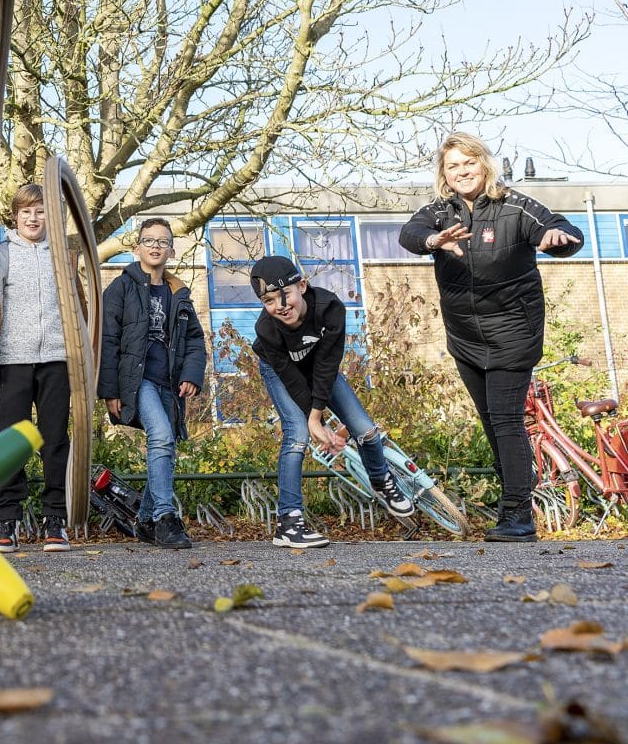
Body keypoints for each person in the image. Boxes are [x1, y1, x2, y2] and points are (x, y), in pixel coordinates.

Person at [400, 132, 583, 541]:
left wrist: (558, 241)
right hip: (464, 335)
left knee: (505, 420)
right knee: (492, 423)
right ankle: (514, 503)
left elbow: (562, 229)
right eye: (453, 166)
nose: (462, 172)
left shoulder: (514, 206)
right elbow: (409, 235)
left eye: (469, 163)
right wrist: (435, 240)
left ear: (484, 164)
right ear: (444, 174)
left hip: (513, 332)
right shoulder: (438, 211)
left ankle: (518, 516)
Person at [249, 257, 415, 549]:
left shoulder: (329, 308)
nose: (280, 305)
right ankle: (288, 522)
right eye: (268, 300)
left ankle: (381, 481)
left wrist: (319, 415)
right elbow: (292, 380)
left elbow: (327, 366)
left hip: (320, 367)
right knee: (297, 435)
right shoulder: (267, 329)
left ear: (302, 285)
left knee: (365, 429)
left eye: (284, 294)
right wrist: (316, 422)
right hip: (280, 372)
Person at [0, 184, 73, 552]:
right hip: (13, 359)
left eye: (41, 211)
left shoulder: (62, 255)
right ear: (15, 216)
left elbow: (78, 306)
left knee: (55, 441)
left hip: (56, 358)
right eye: (26, 211)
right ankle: (8, 519)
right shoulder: (1, 254)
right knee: (11, 442)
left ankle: (55, 519)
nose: (33, 217)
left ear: (50, 217)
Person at [95, 218, 206, 550]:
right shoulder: (121, 287)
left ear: (171, 249)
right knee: (160, 436)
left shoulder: (179, 293)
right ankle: (164, 517)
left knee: (167, 443)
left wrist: (191, 374)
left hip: (168, 383)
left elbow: (196, 340)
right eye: (149, 240)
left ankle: (143, 521)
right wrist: (110, 390)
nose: (156, 246)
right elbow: (107, 339)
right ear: (136, 247)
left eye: (163, 241)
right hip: (137, 379)